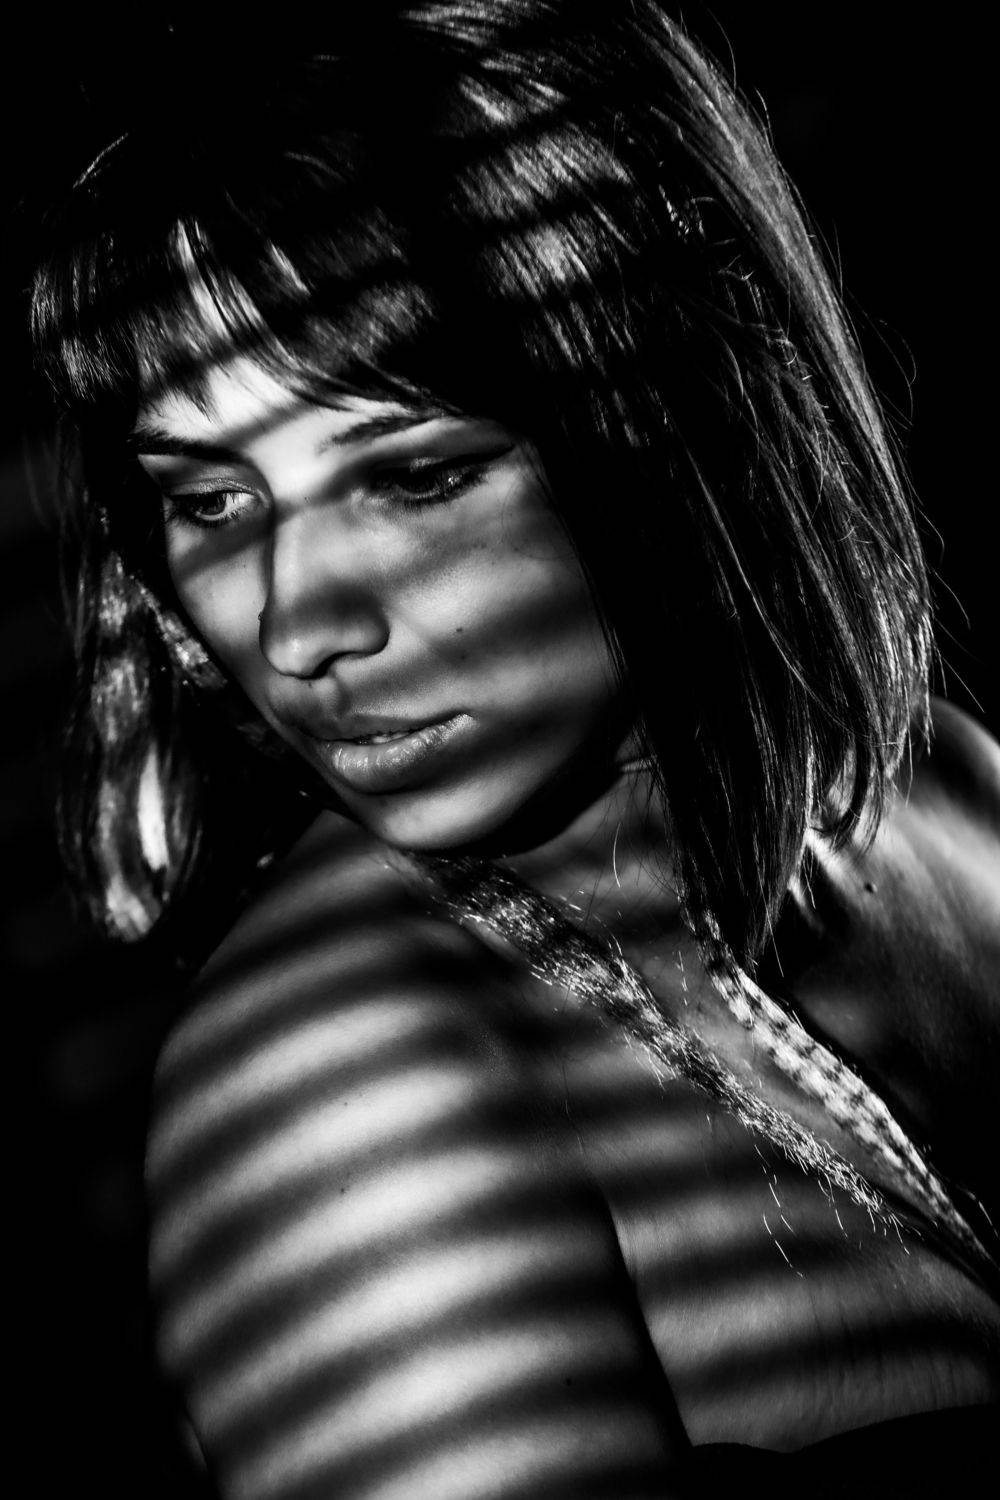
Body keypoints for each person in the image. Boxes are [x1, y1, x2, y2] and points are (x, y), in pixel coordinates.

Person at [30, 3, 999, 1494]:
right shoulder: (342, 1091)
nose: (298, 624)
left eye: (416, 476)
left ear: (673, 414)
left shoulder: (947, 792)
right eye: (211, 502)